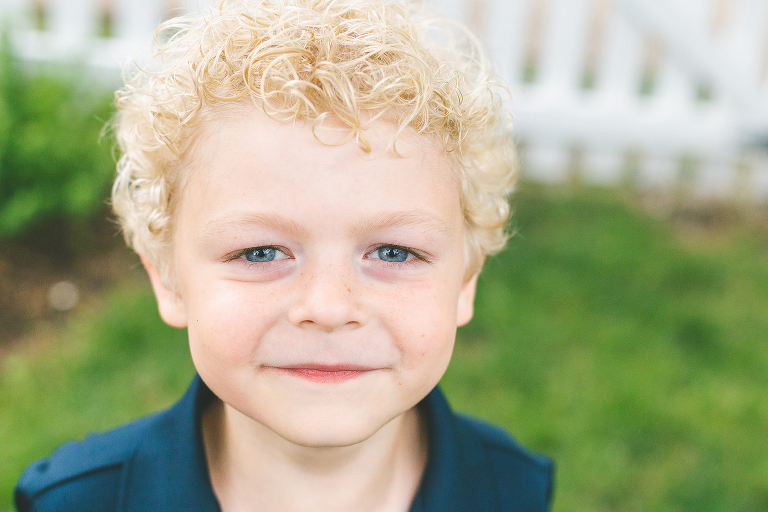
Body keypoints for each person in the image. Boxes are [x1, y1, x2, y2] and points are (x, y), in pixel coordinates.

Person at [14, 0, 554, 510]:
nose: (328, 306)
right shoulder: (78, 500)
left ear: (465, 281)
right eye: (261, 252)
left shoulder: (509, 488)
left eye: (393, 251)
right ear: (169, 281)